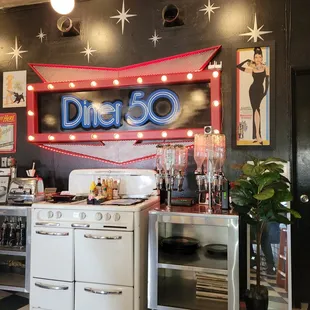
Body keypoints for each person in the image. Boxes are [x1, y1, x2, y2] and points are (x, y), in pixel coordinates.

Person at [237, 47, 270, 145]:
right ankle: (257, 136)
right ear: (254, 58)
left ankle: (257, 135)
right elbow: (238, 66)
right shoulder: (253, 69)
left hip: (260, 90)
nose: (258, 59)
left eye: (260, 57)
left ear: (262, 58)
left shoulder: (266, 68)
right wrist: (247, 60)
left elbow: (267, 80)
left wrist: (266, 92)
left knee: (256, 110)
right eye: (256, 57)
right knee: (255, 110)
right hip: (252, 90)